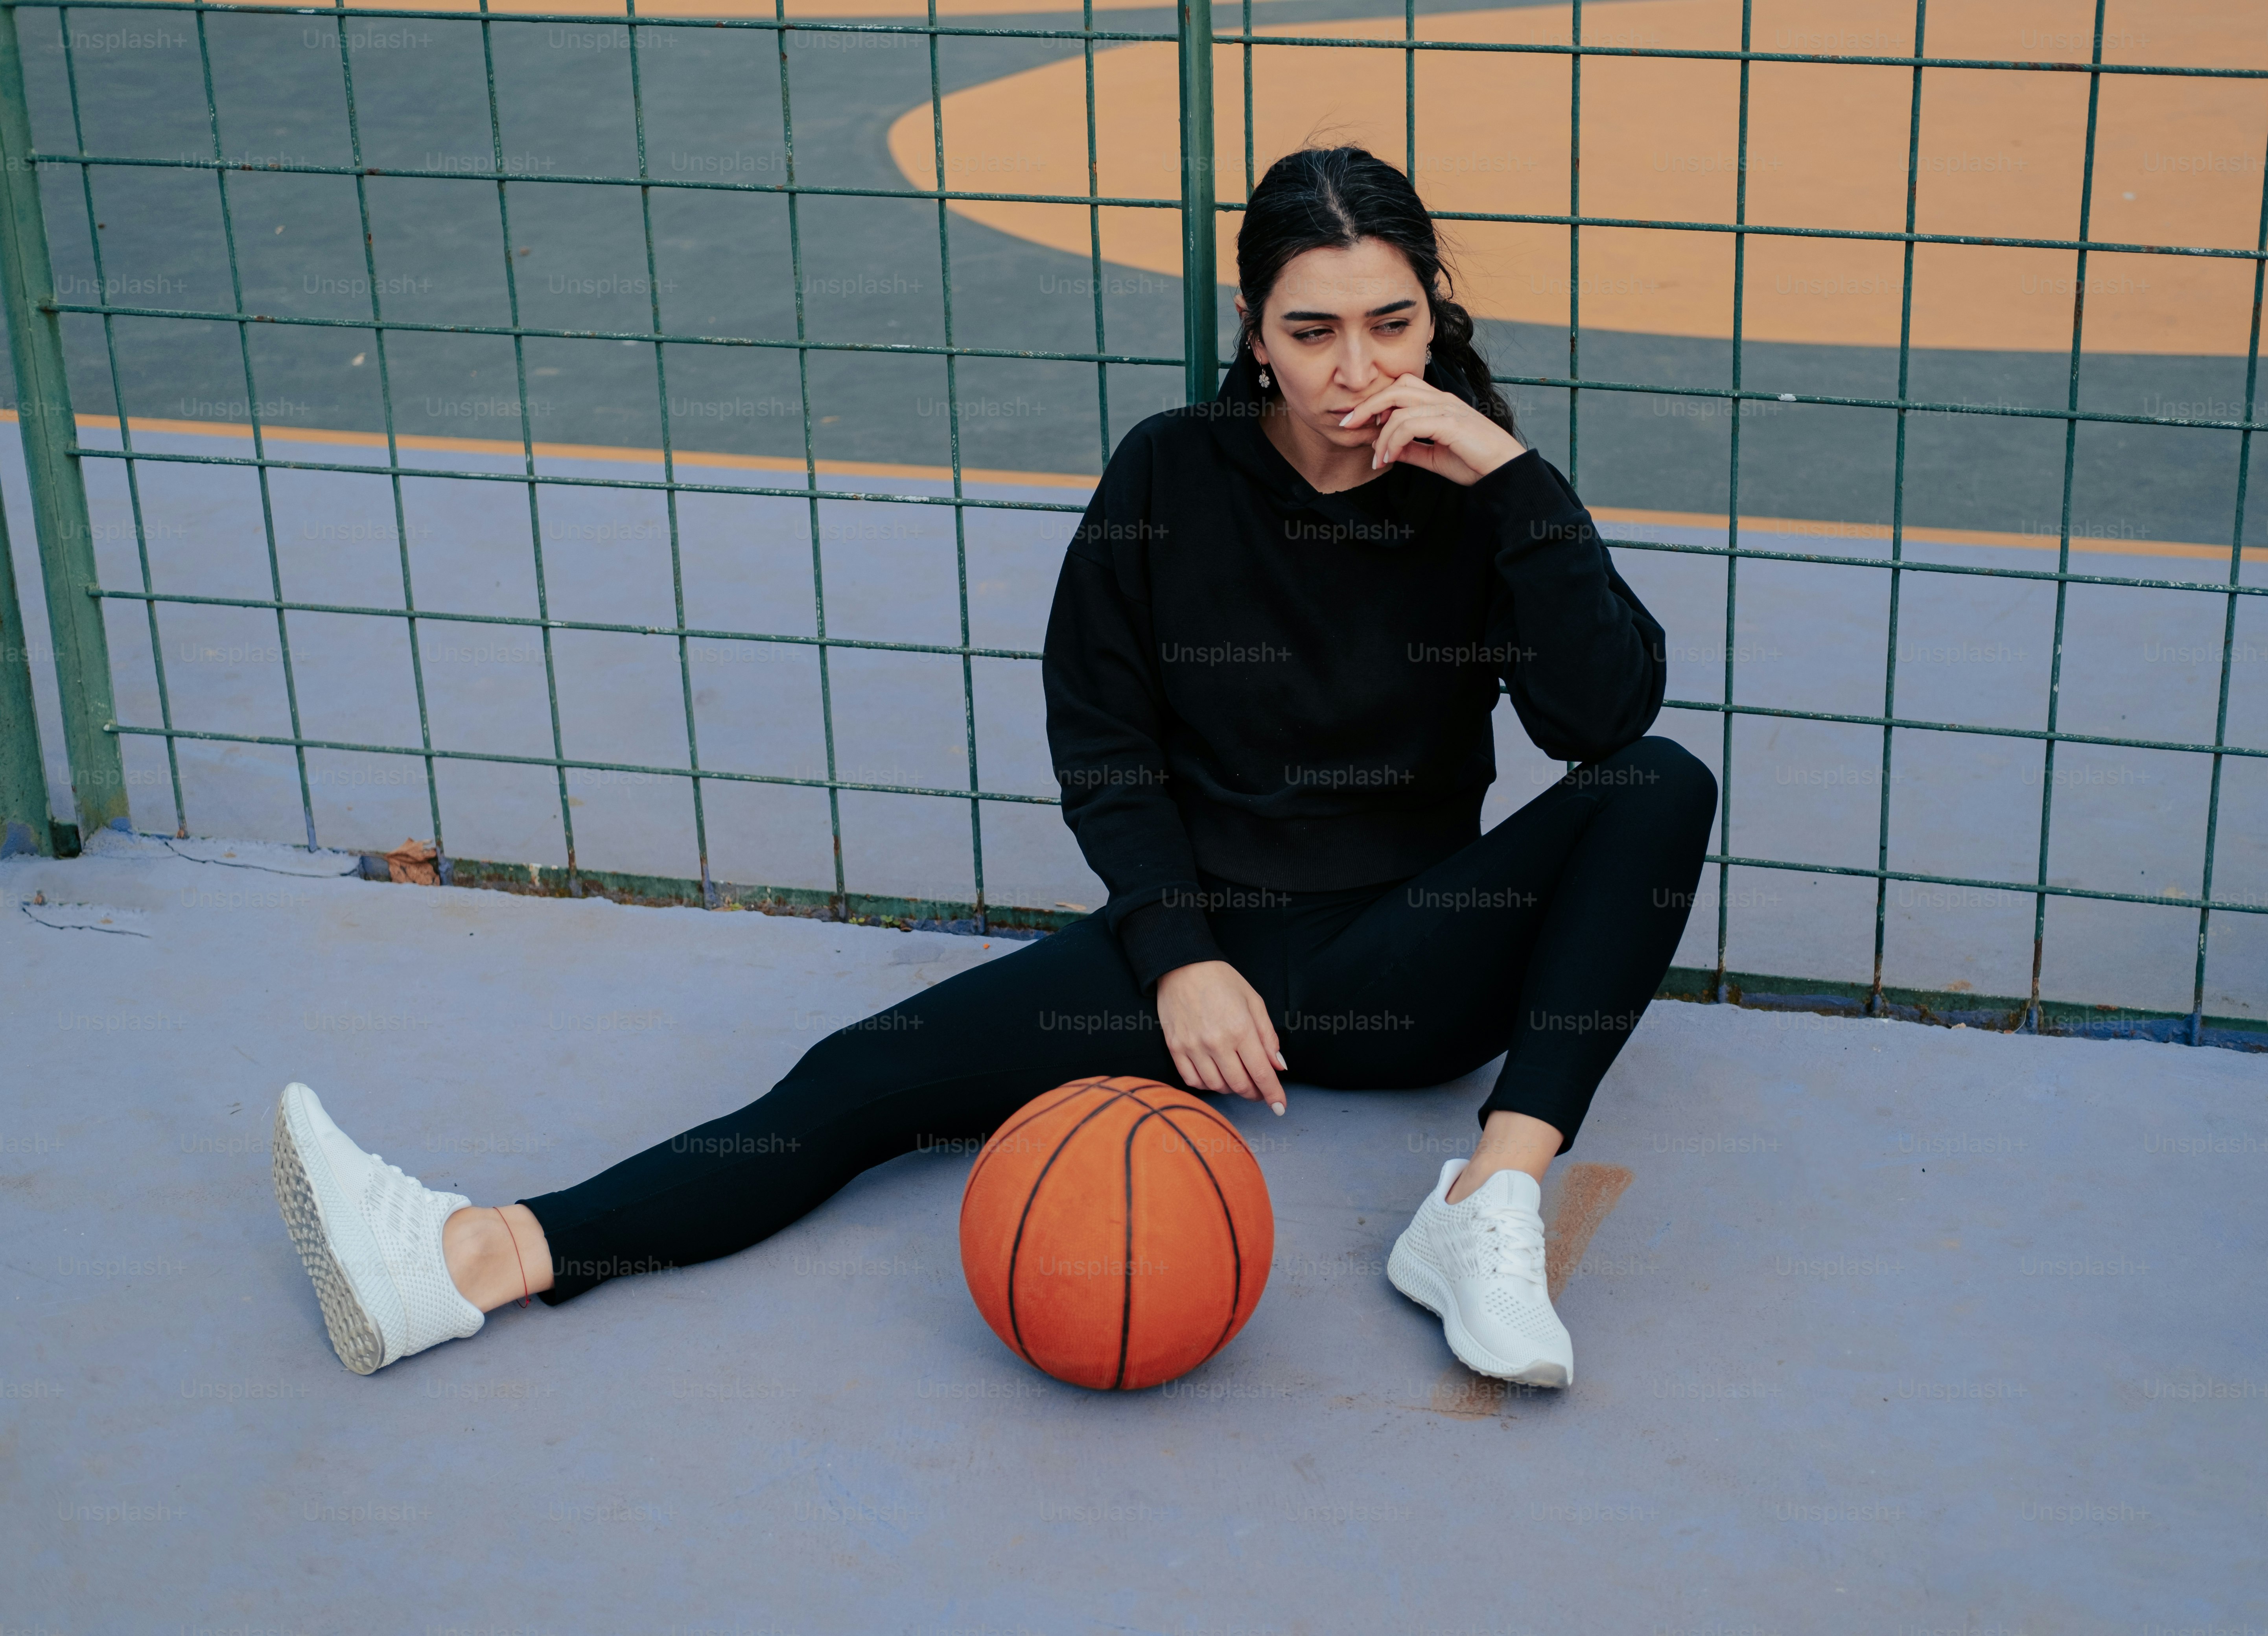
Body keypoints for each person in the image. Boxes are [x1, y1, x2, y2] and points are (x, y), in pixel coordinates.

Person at [270, 145, 1716, 1389]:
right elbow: (1102, 736)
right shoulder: (1170, 474)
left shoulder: (1481, 489)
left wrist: (1523, 491)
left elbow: (1600, 725)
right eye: (1315, 329)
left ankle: (1489, 1200)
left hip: (1410, 963)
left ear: (1433, 313)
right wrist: (1175, 957)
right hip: (1197, 956)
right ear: (1256, 331)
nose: (1360, 371)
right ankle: (472, 1260)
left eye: (1393, 325)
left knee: (1663, 782)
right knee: (859, 1080)